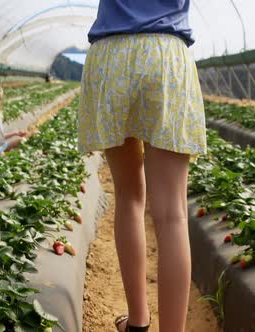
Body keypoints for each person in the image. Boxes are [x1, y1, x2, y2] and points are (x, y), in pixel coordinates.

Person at [78, 1, 207, 331]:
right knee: (172, 214)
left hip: (111, 55)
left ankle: (137, 322)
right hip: (164, 55)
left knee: (129, 195)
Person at [0, 83, 27, 158]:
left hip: (2, 146)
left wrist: (16, 133)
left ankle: (5, 155)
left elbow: (1, 136)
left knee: (22, 141)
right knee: (4, 155)